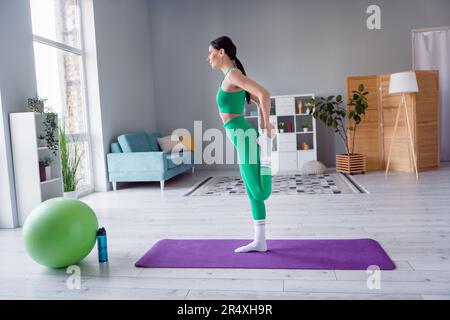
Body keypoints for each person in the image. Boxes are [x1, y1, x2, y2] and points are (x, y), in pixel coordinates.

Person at [207, 36, 276, 253]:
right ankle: (260, 241)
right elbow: (255, 98)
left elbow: (264, 94)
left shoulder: (234, 74)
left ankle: (266, 161)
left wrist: (265, 126)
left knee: (259, 192)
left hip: (244, 136)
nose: (208, 57)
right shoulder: (231, 75)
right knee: (251, 192)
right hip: (241, 136)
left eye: (210, 52)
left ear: (221, 52)